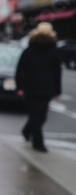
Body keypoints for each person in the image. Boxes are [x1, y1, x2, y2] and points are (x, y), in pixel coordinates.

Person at [15, 22, 62, 152]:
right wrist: (19, 86)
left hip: (44, 89)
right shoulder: (30, 50)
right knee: (37, 115)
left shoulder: (53, 51)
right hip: (33, 88)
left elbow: (57, 72)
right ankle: (38, 142)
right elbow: (20, 69)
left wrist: (57, 90)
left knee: (40, 115)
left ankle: (27, 131)